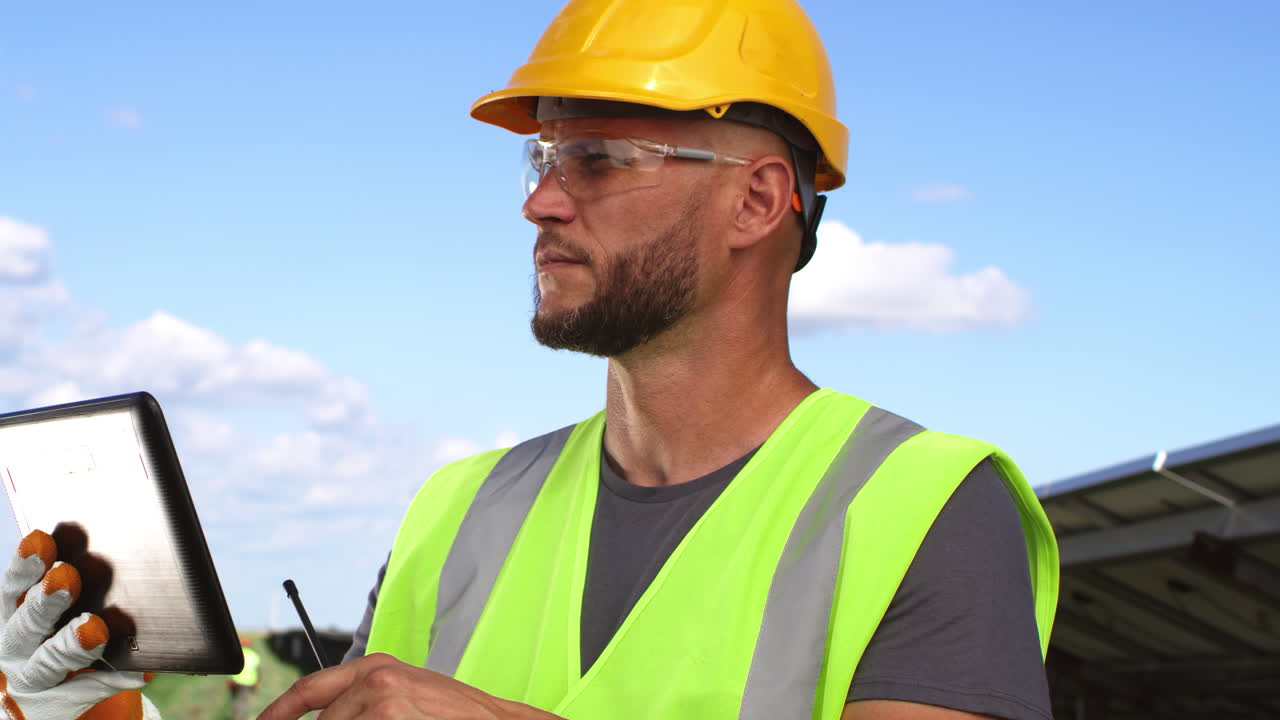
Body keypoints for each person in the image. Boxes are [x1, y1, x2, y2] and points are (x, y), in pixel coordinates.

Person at [0, 1, 1059, 719]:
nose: (539, 200)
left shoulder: (922, 507)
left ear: (757, 200)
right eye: (542, 156)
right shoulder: (455, 513)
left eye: (596, 159)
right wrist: (101, 712)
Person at [227, 637, 261, 720]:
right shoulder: (254, 655)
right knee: (245, 702)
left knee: (235, 700)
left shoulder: (235, 655)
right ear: (249, 645)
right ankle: (243, 718)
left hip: (236, 682)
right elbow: (259, 670)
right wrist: (258, 682)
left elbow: (230, 668)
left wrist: (228, 679)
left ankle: (234, 717)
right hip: (249, 683)